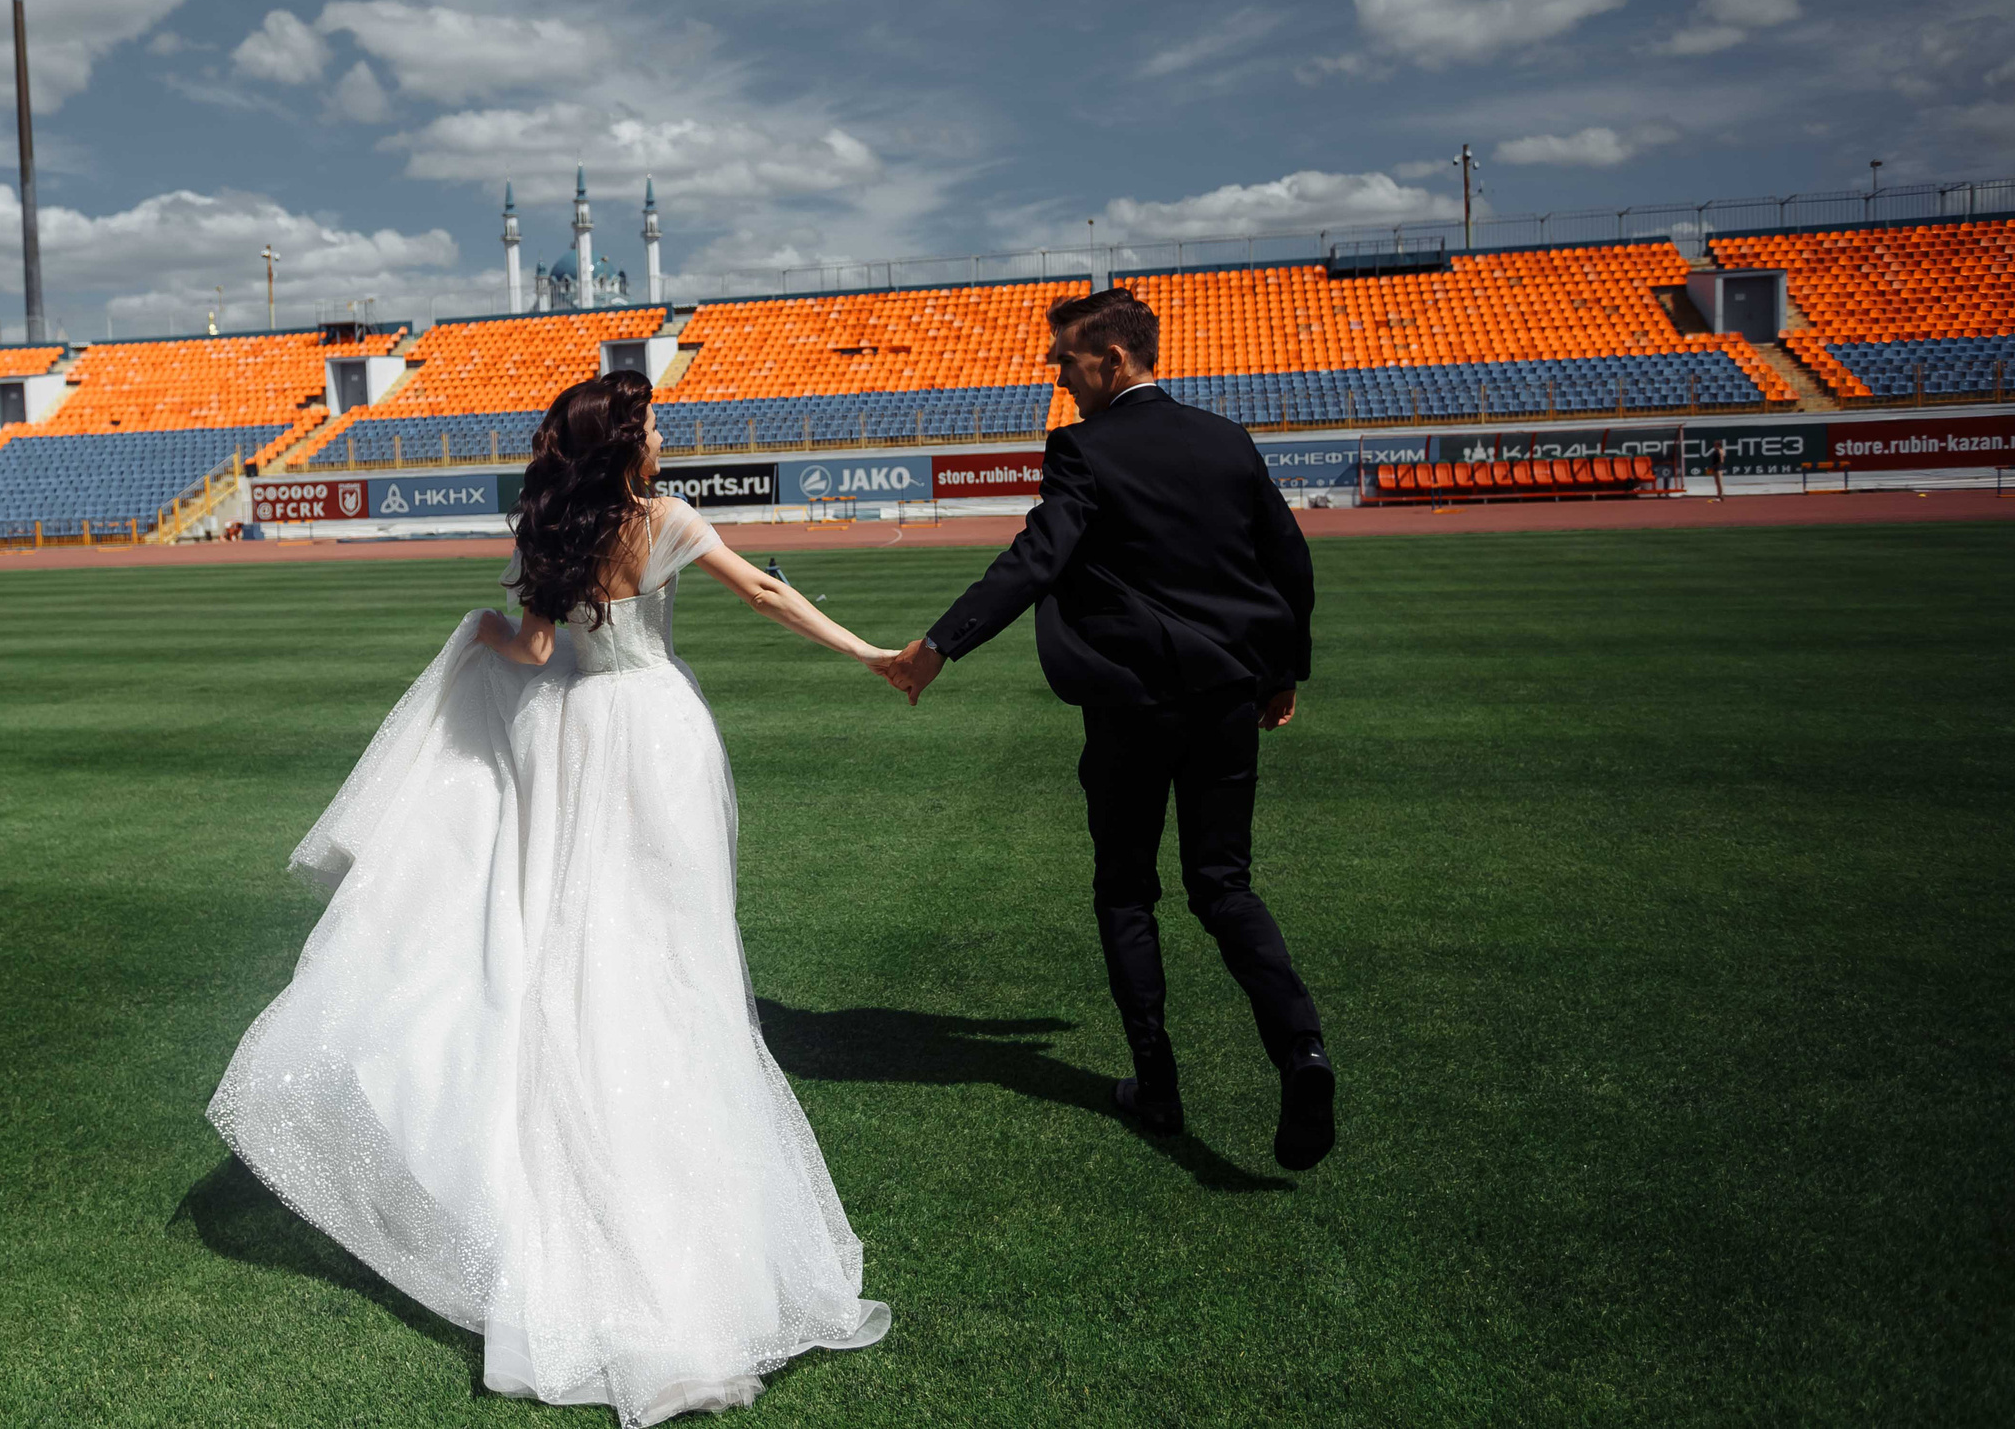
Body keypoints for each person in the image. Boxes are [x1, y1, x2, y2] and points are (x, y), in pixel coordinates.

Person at [209, 371, 893, 1427]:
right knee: (670, 950)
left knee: (573, 940)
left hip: (566, 737)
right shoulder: (664, 517)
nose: (664, 436)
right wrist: (870, 654)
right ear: (626, 441)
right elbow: (763, 592)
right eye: (653, 424)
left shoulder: (549, 527)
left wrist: (478, 627)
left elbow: (531, 650)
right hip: (655, 733)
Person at [876, 287, 1335, 1172]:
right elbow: (1290, 562)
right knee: (1225, 887)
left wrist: (938, 647)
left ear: (1112, 360)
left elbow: (1035, 559)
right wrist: (1283, 672)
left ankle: (1156, 1084)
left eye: (1067, 363)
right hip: (1228, 698)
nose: (1060, 380)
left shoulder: (1082, 449)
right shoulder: (1227, 440)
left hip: (1130, 706)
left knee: (1127, 892)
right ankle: (1303, 1051)